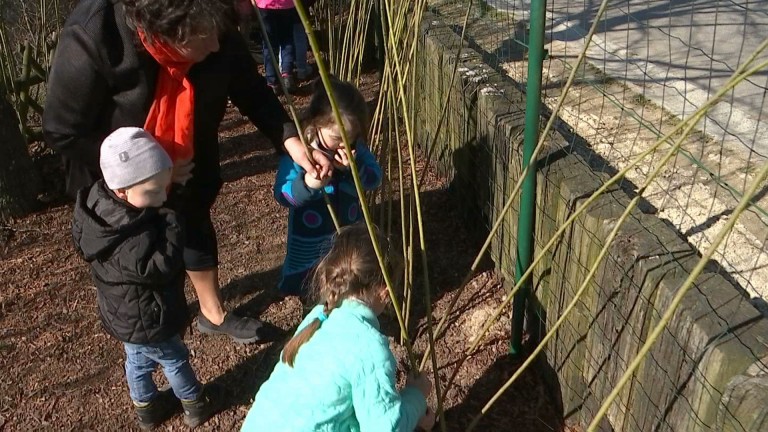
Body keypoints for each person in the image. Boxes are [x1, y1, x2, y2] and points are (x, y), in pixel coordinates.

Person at [43, 0, 333, 344]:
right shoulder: (95, 35)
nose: (215, 45)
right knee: (138, 259)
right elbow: (63, 130)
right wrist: (144, 167)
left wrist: (290, 139)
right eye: (204, 37)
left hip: (189, 159)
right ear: (167, 30)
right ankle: (148, 341)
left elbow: (251, 89)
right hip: (121, 181)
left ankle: (213, 314)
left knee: (193, 222)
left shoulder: (213, 21)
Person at [72, 128, 217, 430]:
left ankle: (147, 409)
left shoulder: (101, 210)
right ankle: (194, 402)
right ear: (123, 191)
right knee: (174, 358)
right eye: (154, 192)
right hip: (148, 315)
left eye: (164, 187)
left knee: (137, 360)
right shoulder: (127, 236)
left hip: (123, 313)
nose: (163, 197)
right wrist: (173, 225)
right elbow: (158, 267)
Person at [241, 223, 437, 431]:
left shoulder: (319, 316)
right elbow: (384, 427)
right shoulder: (369, 347)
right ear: (385, 293)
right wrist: (415, 398)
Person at [274, 77, 382, 296]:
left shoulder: (357, 150)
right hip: (312, 244)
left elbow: (374, 179)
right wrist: (308, 184)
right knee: (313, 294)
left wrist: (354, 168)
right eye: (337, 137)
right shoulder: (301, 153)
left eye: (351, 137)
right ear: (317, 124)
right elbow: (283, 195)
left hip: (348, 240)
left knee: (346, 289)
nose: (344, 143)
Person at [252, 0, 300, 93]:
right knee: (287, 39)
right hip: (287, 4)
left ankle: (272, 82)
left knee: (269, 43)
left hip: (265, 5)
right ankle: (287, 74)